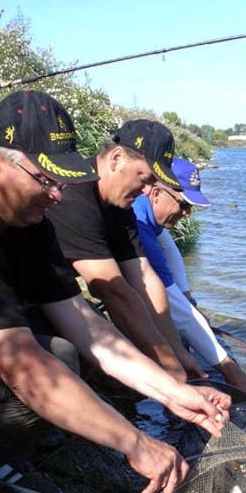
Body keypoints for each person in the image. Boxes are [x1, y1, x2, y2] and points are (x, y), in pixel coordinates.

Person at [0, 90, 230, 493]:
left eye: (61, 182)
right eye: (45, 180)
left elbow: (84, 322)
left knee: (67, 352)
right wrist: (135, 443)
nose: (56, 195)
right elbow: (23, 368)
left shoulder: (27, 219)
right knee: (47, 366)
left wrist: (172, 391)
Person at [47, 121, 205, 384]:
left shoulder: (120, 207)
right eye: (144, 179)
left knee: (137, 359)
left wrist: (176, 351)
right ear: (117, 158)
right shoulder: (75, 196)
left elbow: (143, 276)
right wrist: (169, 368)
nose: (146, 191)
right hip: (18, 302)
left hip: (59, 298)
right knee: (89, 360)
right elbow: (114, 291)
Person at [133, 158, 246, 397]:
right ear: (157, 193)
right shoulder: (138, 225)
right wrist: (230, 368)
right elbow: (176, 308)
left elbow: (169, 247)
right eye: (182, 205)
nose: (187, 214)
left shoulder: (148, 211)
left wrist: (188, 295)